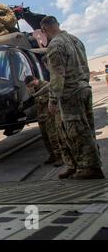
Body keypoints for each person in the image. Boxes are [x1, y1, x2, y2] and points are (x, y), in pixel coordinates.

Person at [41, 15, 104, 179]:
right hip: (84, 88)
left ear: (44, 30)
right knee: (87, 128)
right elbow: (85, 66)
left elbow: (57, 74)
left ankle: (90, 167)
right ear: (58, 24)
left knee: (77, 131)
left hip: (71, 93)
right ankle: (77, 165)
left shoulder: (55, 45)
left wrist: (53, 100)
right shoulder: (76, 40)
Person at [25, 76, 63, 167]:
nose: (32, 87)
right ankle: (52, 155)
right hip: (41, 117)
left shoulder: (46, 85)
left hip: (49, 116)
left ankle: (60, 157)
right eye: (29, 86)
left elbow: (46, 99)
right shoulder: (33, 89)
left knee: (53, 137)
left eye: (32, 84)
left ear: (35, 80)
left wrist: (35, 96)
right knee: (45, 138)